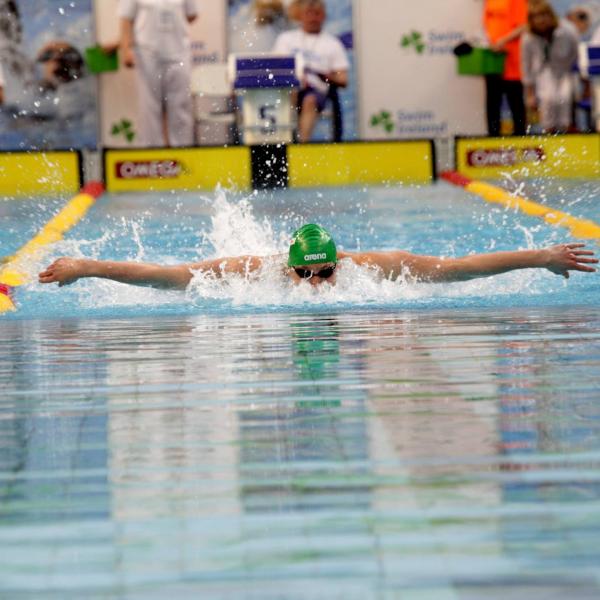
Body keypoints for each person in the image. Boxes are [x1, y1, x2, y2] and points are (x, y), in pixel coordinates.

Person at [38, 224, 597, 290]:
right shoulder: (254, 271)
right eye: (302, 273)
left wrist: (540, 257)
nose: (313, 283)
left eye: (324, 272)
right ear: (287, 266)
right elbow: (168, 276)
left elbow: (460, 268)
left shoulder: (374, 267)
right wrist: (88, 266)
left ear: (339, 261)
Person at [117, 0, 198, 147]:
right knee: (149, 108)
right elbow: (126, 18)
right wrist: (125, 49)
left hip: (179, 53)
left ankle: (183, 150)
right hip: (147, 53)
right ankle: (152, 151)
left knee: (181, 106)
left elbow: (191, 15)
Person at [272, 0, 349, 143]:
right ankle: (282, 140)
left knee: (310, 100)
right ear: (300, 15)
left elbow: (343, 80)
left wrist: (325, 77)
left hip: (315, 91)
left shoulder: (333, 44)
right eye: (309, 13)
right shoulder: (286, 39)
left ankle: (302, 144)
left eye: (317, 14)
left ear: (324, 16)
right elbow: (276, 68)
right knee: (290, 92)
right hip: (289, 88)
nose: (313, 18)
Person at [522, 1, 579, 133]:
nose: (540, 20)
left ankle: (566, 130)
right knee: (548, 99)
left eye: (543, 15)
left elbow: (576, 55)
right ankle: (549, 131)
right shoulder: (528, 37)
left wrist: (578, 77)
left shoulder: (567, 31)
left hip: (565, 71)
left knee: (565, 97)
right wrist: (529, 92)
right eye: (536, 17)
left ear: (551, 15)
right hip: (542, 73)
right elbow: (526, 65)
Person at [483, 0, 528, 136]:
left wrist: (503, 40)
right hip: (493, 60)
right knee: (492, 103)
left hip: (512, 61)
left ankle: (520, 137)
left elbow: (523, 26)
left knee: (516, 102)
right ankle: (493, 138)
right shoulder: (489, 2)